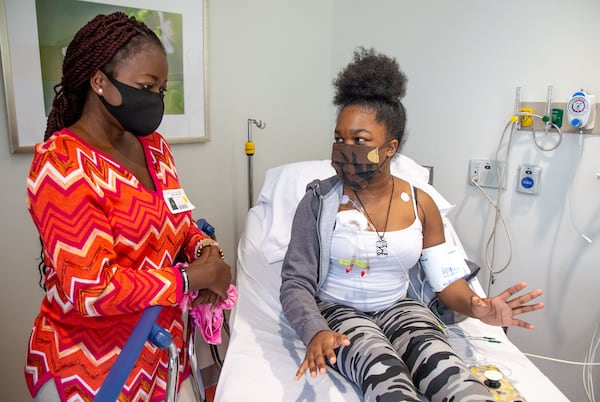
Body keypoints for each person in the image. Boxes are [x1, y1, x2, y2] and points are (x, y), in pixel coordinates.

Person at [279, 47, 544, 401]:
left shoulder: (421, 204)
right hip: (339, 311)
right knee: (386, 378)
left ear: (390, 148)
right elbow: (295, 281)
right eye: (339, 138)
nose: (344, 150)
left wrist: (478, 306)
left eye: (359, 141)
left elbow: (446, 282)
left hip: (402, 307)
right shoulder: (317, 202)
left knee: (455, 379)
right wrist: (314, 331)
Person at [24, 12, 232, 401]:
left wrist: (204, 250)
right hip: (92, 367)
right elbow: (92, 289)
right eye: (146, 86)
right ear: (100, 81)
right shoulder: (61, 165)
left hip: (162, 351)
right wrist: (194, 279)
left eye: (161, 90)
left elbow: (179, 222)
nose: (155, 100)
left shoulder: (154, 147)